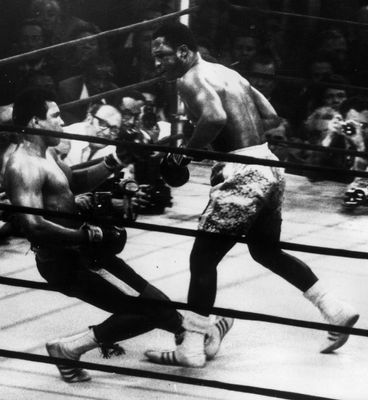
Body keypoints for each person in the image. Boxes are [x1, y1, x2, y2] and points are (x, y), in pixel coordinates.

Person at [145, 22, 359, 368]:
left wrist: (183, 153)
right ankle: (334, 308)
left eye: (162, 55)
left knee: (201, 262)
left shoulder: (191, 78)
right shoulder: (230, 75)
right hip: (269, 167)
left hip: (243, 173)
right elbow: (271, 115)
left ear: (183, 52)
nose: (158, 63)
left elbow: (213, 117)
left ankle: (192, 347)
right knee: (266, 250)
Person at [3, 87, 227, 382]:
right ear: (35, 121)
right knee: (147, 309)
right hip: (64, 258)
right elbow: (32, 224)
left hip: (83, 250)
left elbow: (74, 183)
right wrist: (86, 237)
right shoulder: (23, 165)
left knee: (152, 301)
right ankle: (69, 348)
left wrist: (116, 160)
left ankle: (196, 333)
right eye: (55, 116)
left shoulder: (47, 154)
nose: (61, 122)